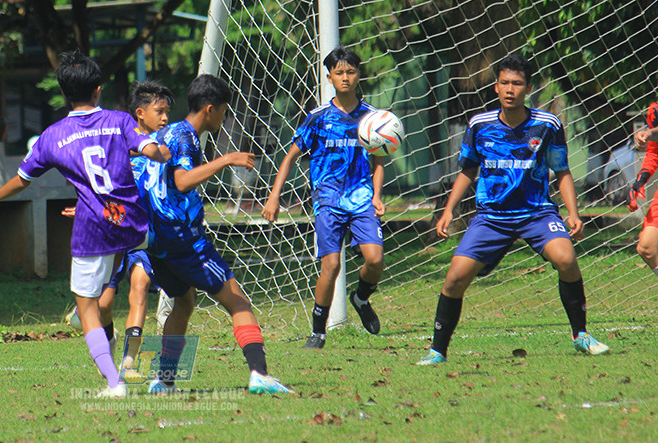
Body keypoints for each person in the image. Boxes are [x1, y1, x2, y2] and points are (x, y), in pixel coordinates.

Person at [0, 52, 170, 397]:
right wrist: (160, 152)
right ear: (98, 90)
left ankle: (113, 381)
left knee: (84, 308)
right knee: (111, 292)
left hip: (92, 230)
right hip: (132, 224)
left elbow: (22, 179)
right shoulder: (120, 121)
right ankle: (133, 333)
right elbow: (148, 146)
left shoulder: (51, 137)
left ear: (64, 92)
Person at [417, 54, 610, 366]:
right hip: (491, 218)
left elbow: (562, 171)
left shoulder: (547, 125)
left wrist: (573, 213)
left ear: (528, 88)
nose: (510, 89)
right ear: (496, 87)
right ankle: (437, 351)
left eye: (517, 83)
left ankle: (581, 335)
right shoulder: (479, 125)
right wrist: (448, 210)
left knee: (566, 258)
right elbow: (467, 171)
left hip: (537, 214)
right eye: (505, 82)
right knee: (454, 278)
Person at [144, 74, 290, 395]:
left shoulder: (165, 133)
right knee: (238, 300)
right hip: (183, 241)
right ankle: (259, 374)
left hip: (157, 240)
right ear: (209, 109)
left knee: (184, 302)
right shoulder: (184, 136)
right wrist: (227, 159)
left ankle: (164, 380)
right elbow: (182, 181)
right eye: (224, 111)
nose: (225, 117)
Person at [262, 47, 387, 348]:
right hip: (328, 200)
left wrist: (378, 196)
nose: (345, 77)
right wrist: (274, 196)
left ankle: (360, 298)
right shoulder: (317, 118)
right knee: (331, 266)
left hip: (361, 198)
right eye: (339, 72)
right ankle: (318, 331)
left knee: (375, 259)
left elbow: (380, 160)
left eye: (351, 71)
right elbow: (291, 157)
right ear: (329, 76)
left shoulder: (370, 117)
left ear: (359, 75)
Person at [96, 81, 174, 373]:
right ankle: (110, 337)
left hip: (145, 236)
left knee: (139, 287)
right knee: (103, 303)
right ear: (140, 114)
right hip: (115, 235)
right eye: (159, 112)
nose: (165, 118)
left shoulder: (166, 149)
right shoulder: (119, 146)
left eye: (167, 112)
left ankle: (129, 360)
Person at [627, 102, 658, 278]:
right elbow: (654, 153)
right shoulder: (655, 110)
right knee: (647, 247)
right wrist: (640, 181)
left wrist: (651, 133)